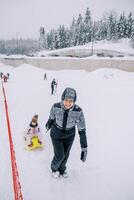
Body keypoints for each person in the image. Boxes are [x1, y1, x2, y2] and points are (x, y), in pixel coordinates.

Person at [45, 87, 88, 178]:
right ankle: (54, 169)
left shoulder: (78, 111)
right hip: (56, 133)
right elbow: (51, 118)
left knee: (66, 155)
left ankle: (62, 169)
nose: (68, 103)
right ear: (62, 98)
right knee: (60, 155)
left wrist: (84, 147)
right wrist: (48, 125)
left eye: (71, 101)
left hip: (70, 135)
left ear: (74, 101)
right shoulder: (56, 107)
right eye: (66, 100)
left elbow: (82, 130)